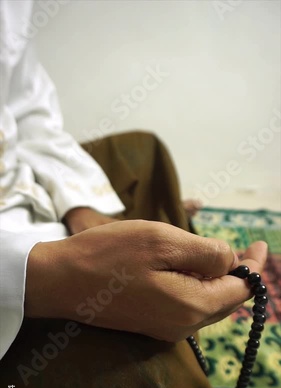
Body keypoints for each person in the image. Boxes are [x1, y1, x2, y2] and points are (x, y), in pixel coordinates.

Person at [0, 0, 267, 362]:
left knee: (145, 151)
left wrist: (81, 206)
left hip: (15, 174)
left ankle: (157, 265)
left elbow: (25, 110)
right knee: (136, 368)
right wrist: (40, 277)